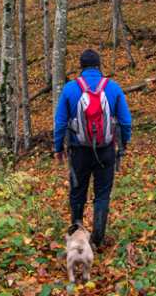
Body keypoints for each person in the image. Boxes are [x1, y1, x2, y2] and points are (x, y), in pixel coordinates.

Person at [54, 49, 132, 248]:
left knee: (78, 191)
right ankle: (97, 238)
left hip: (78, 150)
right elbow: (125, 121)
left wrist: (58, 148)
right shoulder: (113, 87)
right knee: (103, 193)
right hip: (106, 150)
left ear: (81, 67)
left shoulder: (70, 89)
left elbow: (60, 122)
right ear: (99, 66)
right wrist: (124, 144)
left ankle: (77, 233)